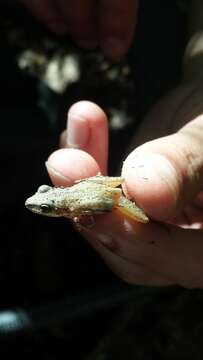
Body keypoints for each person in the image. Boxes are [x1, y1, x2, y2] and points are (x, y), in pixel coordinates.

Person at [21, 0, 203, 288]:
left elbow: (99, 205)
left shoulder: (74, 211)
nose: (40, 204)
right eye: (46, 205)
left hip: (103, 197)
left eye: (46, 206)